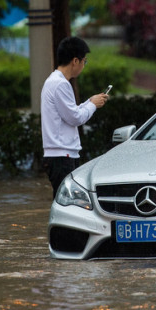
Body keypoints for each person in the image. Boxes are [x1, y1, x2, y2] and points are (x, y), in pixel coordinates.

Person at [41, 36, 108, 198]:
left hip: (61, 154)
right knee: (67, 204)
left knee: (67, 203)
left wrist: (90, 101)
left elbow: (70, 113)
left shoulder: (55, 81)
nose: (84, 65)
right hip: (62, 156)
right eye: (85, 61)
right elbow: (76, 118)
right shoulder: (60, 84)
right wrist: (93, 105)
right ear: (75, 61)